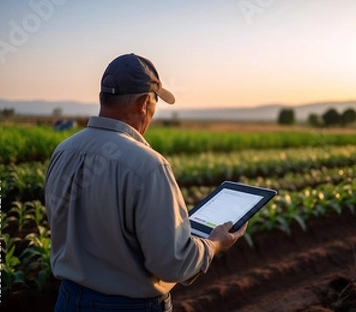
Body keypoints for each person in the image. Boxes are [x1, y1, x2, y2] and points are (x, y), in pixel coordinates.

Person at [44, 53, 247, 312]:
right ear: (143, 103)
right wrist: (214, 243)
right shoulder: (149, 165)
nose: (152, 113)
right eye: (154, 104)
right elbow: (172, 264)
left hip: (68, 300)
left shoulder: (64, 150)